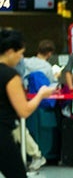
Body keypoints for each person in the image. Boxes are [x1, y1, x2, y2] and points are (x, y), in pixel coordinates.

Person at [0, 30, 61, 178]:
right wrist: (41, 94)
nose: (21, 59)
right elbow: (24, 110)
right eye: (20, 54)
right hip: (2, 137)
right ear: (9, 51)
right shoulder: (9, 76)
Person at [17, 39, 56, 170]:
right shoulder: (47, 67)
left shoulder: (26, 62)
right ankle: (37, 155)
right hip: (40, 104)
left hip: (25, 98)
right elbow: (52, 84)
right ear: (49, 53)